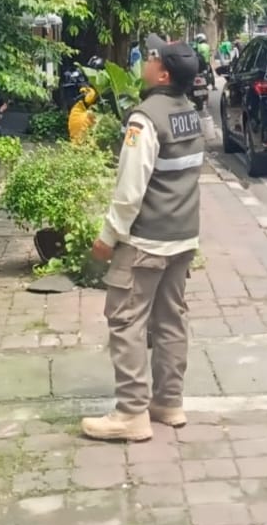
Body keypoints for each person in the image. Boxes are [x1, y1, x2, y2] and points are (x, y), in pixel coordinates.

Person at [82, 35, 204, 442]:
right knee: (170, 320)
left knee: (126, 321)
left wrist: (108, 236)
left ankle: (131, 413)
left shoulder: (145, 119)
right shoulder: (190, 113)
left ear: (163, 74)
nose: (145, 62)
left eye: (152, 58)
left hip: (145, 240)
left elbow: (130, 189)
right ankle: (169, 402)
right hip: (183, 237)